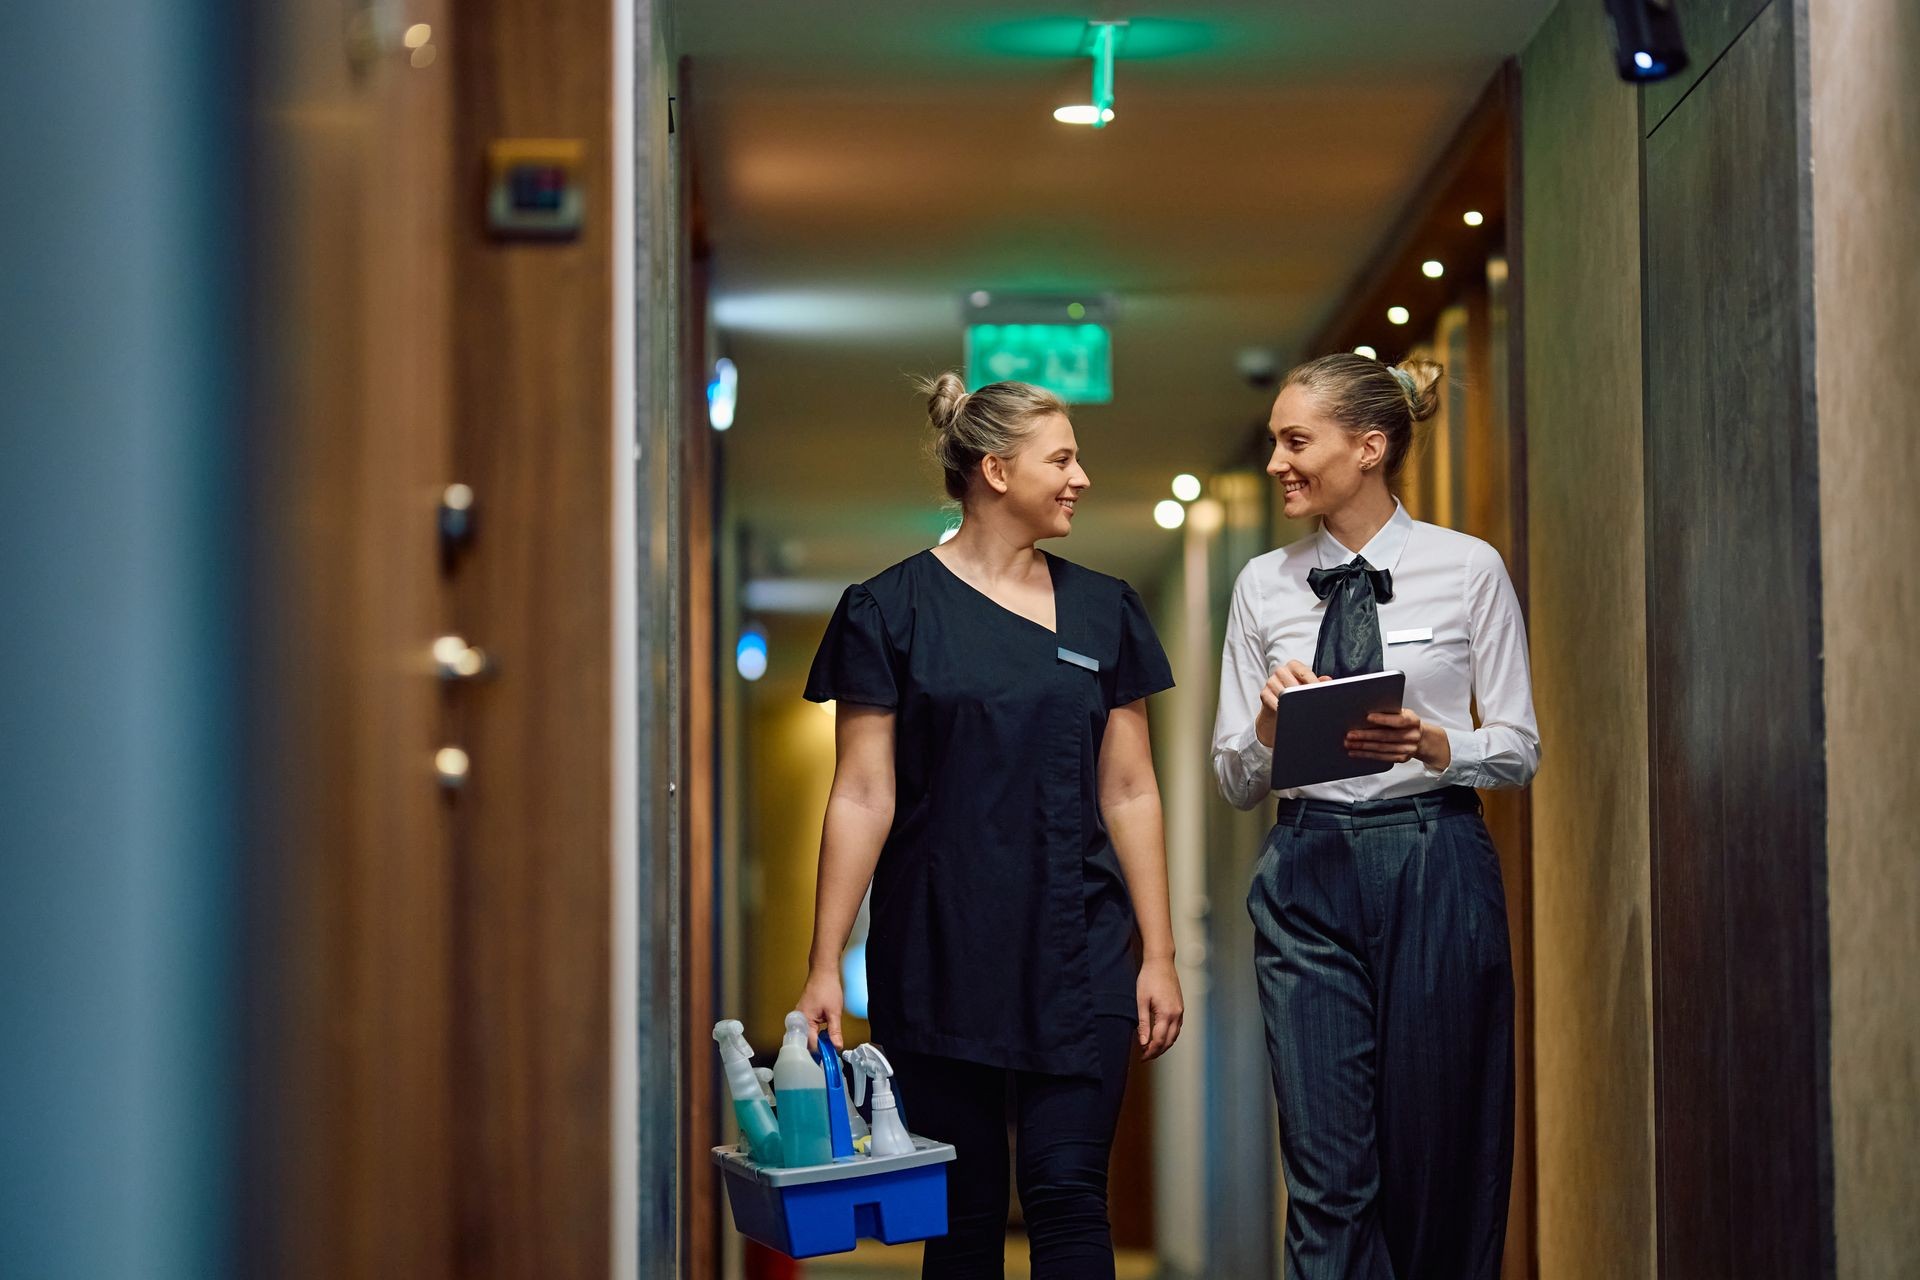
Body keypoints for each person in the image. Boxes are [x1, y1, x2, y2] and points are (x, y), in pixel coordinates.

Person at [798, 373, 1183, 1279]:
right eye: (1063, 458)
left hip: (1081, 941)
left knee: (1066, 1190)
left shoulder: (1104, 607)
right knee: (963, 1213)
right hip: (940, 945)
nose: (1082, 476)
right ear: (997, 470)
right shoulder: (888, 609)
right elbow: (860, 793)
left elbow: (1130, 789)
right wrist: (823, 962)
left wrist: (1158, 952)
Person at [1212, 353, 1540, 1279]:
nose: (1276, 459)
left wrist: (1440, 746)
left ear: (1369, 447)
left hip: (1436, 860)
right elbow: (1235, 778)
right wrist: (1272, 730)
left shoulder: (1467, 567)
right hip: (1306, 872)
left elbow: (1519, 744)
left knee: (1438, 1157)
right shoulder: (1260, 587)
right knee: (1325, 1172)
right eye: (1275, 440)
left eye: (1294, 440)